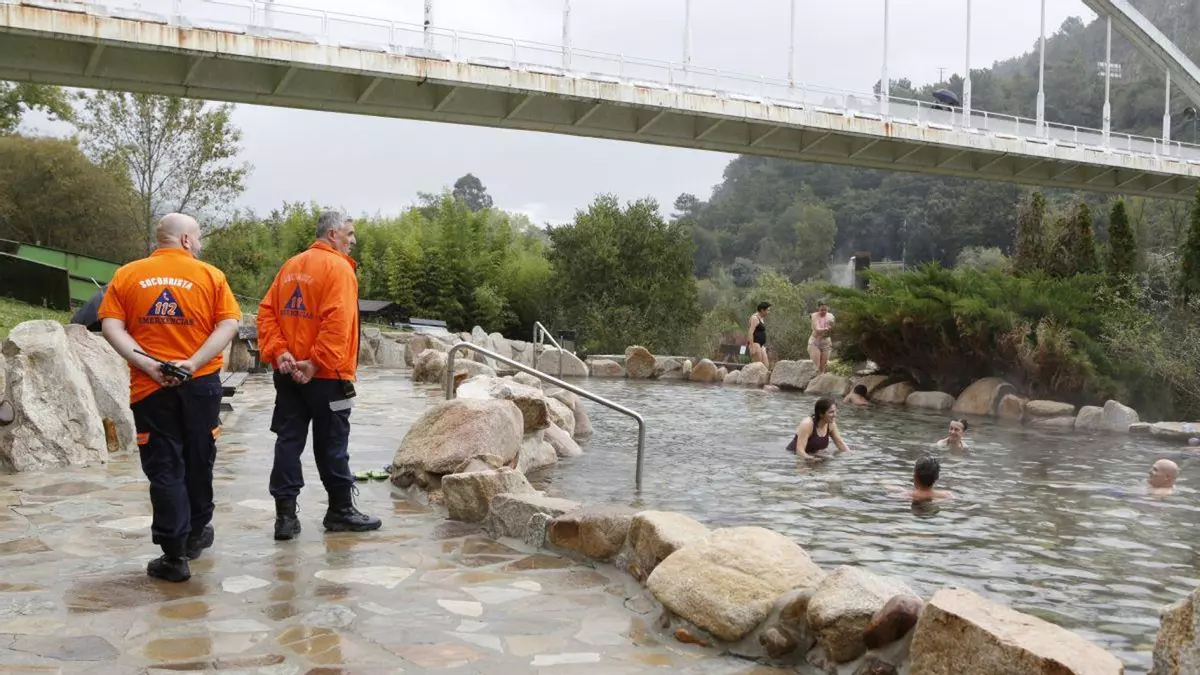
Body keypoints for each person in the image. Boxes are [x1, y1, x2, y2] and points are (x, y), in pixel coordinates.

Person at [98, 213, 241, 582]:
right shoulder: (211, 276)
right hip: (201, 385)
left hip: (151, 389)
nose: (200, 244)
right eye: (199, 237)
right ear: (186, 240)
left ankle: (174, 555)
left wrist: (148, 364)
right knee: (199, 458)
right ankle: (197, 532)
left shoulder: (127, 275)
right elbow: (229, 323)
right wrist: (192, 363)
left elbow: (111, 325)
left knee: (165, 467)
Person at [258, 210, 381, 541]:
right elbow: (337, 322)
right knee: (333, 445)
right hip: (327, 376)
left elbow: (266, 312)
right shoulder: (338, 268)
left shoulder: (290, 266)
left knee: (288, 441)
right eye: (349, 234)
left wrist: (280, 352)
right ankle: (340, 511)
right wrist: (314, 363)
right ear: (332, 234)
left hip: (288, 374)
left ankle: (285, 518)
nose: (353, 240)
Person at [787, 397, 851, 456]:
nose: (835, 415)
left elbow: (840, 443)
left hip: (813, 455)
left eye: (835, 411)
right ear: (821, 414)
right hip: (793, 455)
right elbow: (800, 451)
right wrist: (812, 459)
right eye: (831, 412)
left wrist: (851, 456)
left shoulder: (831, 424)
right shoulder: (807, 424)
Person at [808, 301, 834, 374]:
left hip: (826, 344)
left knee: (823, 368)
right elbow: (817, 328)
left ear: (828, 308)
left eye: (825, 309)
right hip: (815, 343)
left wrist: (830, 329)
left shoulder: (831, 316)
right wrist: (826, 329)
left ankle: (821, 380)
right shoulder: (814, 315)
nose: (823, 311)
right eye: (822, 309)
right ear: (818, 308)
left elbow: (832, 327)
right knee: (816, 367)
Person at [747, 302, 771, 369]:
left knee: (766, 366)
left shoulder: (761, 318)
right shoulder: (755, 318)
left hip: (761, 345)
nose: (768, 312)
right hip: (755, 344)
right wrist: (752, 347)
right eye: (768, 310)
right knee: (758, 367)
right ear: (762, 310)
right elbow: (750, 333)